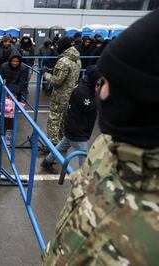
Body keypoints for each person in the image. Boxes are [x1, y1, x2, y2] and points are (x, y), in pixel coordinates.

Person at [42, 9, 159, 265]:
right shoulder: (106, 148)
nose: (102, 94)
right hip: (76, 128)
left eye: (108, 83)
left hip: (71, 122)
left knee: (64, 139)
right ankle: (49, 155)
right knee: (65, 142)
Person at [40, 65, 100, 173]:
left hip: (74, 125)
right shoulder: (84, 91)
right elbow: (90, 108)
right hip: (77, 128)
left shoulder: (85, 86)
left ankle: (47, 162)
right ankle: (84, 178)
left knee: (61, 146)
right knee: (83, 154)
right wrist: (98, 95)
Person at [42, 37, 81, 148]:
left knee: (54, 119)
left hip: (60, 95)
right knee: (64, 119)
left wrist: (45, 74)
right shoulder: (77, 59)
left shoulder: (63, 61)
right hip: (71, 94)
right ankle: (62, 144)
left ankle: (52, 145)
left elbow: (57, 81)